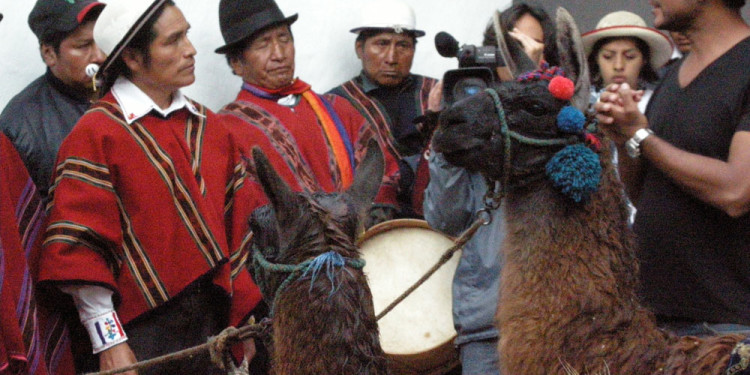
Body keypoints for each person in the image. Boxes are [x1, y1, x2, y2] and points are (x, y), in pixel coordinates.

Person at [34, 0, 263, 373]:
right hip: (144, 333)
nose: (190, 49)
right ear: (134, 59)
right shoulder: (97, 134)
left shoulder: (210, 126)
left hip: (217, 319)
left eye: (187, 35)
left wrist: (243, 317)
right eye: (173, 41)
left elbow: (237, 226)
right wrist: (110, 342)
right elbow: (80, 250)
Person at [595, 0, 750, 337]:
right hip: (655, 322)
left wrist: (640, 134)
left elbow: (736, 191)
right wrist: (624, 136)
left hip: (729, 330)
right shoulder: (672, 77)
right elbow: (644, 193)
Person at [423, 3, 556, 374]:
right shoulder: (472, 116)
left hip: (555, 320)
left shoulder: (566, 111)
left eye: (533, 45)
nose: (522, 54)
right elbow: (445, 220)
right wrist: (444, 137)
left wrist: (534, 77)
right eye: (511, 46)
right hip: (487, 326)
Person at [215, 0, 400, 227]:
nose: (279, 54)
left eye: (284, 39)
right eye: (263, 45)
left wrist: (365, 227)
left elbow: (385, 175)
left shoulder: (339, 109)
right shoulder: (226, 130)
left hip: (363, 247)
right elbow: (245, 212)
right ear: (236, 63)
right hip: (294, 258)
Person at [327, 0, 438, 219]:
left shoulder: (436, 93)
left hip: (437, 219)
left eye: (403, 46)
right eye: (381, 44)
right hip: (370, 223)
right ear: (360, 48)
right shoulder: (336, 104)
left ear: (414, 50)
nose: (391, 58)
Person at [0, 0, 106, 201]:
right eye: (83, 46)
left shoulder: (131, 91)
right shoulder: (18, 126)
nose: (100, 56)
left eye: (102, 42)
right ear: (49, 54)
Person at [583, 11, 673, 114]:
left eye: (630, 57)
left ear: (644, 60)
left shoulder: (659, 105)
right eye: (608, 57)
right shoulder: (581, 106)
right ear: (596, 59)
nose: (618, 66)